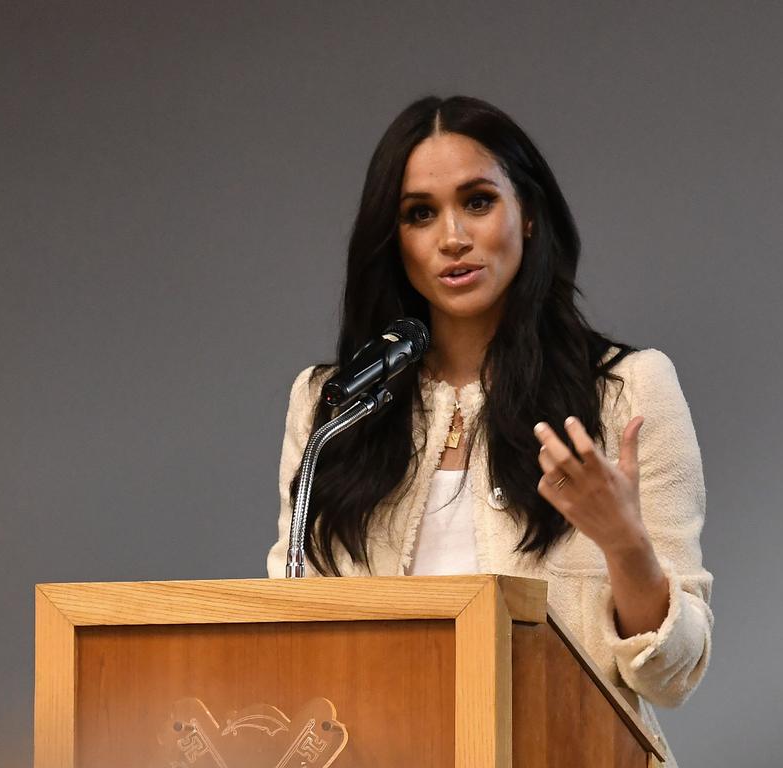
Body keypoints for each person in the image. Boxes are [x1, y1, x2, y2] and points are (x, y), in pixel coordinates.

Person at [267, 95, 712, 765]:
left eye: (478, 202)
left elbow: (674, 673)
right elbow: (284, 630)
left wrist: (625, 545)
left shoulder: (627, 389)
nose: (452, 237)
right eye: (421, 213)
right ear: (396, 242)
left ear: (528, 215)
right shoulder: (330, 406)